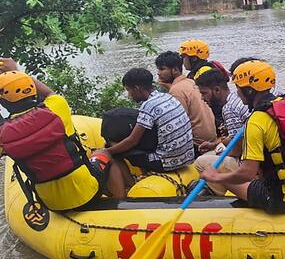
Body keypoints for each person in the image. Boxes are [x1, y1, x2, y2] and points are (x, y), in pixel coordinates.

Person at [201, 60, 285, 214]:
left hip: (284, 199)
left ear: (250, 91)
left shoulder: (256, 121)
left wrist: (216, 177)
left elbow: (246, 173)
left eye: (238, 88)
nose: (237, 93)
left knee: (225, 177)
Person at [0, 59, 118, 208]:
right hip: (87, 192)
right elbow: (49, 93)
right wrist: (16, 74)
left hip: (51, 203)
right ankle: (120, 203)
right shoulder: (56, 108)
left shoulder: (3, 135)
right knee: (104, 153)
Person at [104, 68, 194, 193]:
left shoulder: (148, 106)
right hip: (187, 157)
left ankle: (127, 188)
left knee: (114, 151)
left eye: (129, 90)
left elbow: (132, 141)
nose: (129, 95)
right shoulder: (167, 97)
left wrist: (107, 151)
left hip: (166, 162)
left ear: (137, 88)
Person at [192, 68, 251, 195]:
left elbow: (237, 149)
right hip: (249, 153)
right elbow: (235, 137)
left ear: (217, 90)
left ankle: (220, 193)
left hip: (246, 161)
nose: (202, 98)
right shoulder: (235, 98)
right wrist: (215, 145)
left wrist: (221, 152)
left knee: (200, 162)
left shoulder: (229, 109)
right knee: (210, 153)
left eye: (204, 93)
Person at [155, 50, 216, 153]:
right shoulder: (190, 81)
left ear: (175, 70)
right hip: (211, 138)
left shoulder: (176, 90)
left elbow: (179, 124)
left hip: (197, 145)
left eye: (162, 69)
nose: (158, 73)